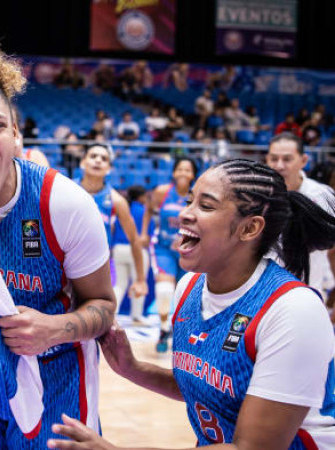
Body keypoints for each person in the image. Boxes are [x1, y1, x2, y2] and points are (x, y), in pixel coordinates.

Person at [48, 159, 335, 449]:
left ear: (249, 228)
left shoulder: (293, 309)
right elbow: (204, 388)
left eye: (206, 206)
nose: (184, 214)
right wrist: (131, 367)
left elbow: (252, 447)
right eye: (189, 201)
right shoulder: (189, 287)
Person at [0, 30, 116, 448]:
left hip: (56, 371)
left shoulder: (64, 203)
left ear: (16, 133)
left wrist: (55, 328)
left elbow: (103, 306)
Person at [78, 144, 148, 316]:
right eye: (93, 156)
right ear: (83, 162)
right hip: (65, 266)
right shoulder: (65, 190)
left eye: (104, 159)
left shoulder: (117, 200)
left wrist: (140, 280)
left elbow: (134, 239)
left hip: (99, 269)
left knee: (98, 324)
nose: (98, 160)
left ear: (109, 169)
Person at [265, 132, 335, 298]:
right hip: (265, 291)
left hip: (309, 289)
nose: (280, 165)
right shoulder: (256, 196)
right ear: (267, 159)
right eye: (274, 159)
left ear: (303, 160)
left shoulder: (322, 196)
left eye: (287, 159)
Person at [142, 157, 198, 352]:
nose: (183, 173)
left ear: (193, 175)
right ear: (174, 173)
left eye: (187, 169)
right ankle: (164, 330)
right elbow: (149, 211)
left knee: (186, 297)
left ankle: (182, 334)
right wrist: (144, 233)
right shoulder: (162, 192)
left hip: (189, 250)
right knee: (164, 291)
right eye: (180, 169)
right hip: (163, 248)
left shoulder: (197, 196)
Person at [111, 185, 151, 324]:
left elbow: (112, 229)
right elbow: (146, 237)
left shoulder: (122, 208)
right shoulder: (144, 211)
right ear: (141, 197)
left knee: (119, 284)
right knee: (139, 281)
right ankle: (136, 316)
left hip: (119, 248)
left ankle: (111, 315)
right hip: (137, 249)